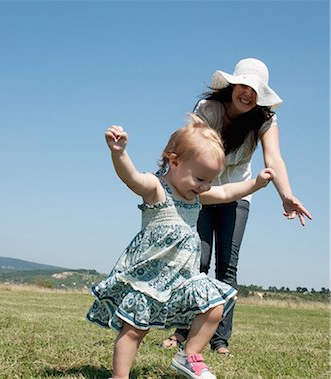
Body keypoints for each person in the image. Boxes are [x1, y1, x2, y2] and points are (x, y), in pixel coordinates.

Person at [86, 115, 275, 379]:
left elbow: (225, 193)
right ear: (174, 162)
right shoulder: (156, 188)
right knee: (134, 331)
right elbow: (131, 178)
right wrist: (119, 153)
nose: (205, 186)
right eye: (200, 178)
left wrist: (255, 184)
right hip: (149, 281)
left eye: (210, 180)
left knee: (215, 307)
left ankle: (188, 356)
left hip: (183, 280)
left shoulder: (198, 195)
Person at [161, 58, 312, 355]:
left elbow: (274, 159)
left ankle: (220, 339)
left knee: (226, 266)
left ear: (261, 94)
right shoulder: (208, 109)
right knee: (198, 261)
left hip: (238, 192)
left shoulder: (265, 120)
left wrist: (286, 194)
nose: (247, 93)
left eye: (255, 89)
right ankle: (182, 331)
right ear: (232, 85)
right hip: (202, 191)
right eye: (243, 85)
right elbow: (189, 147)